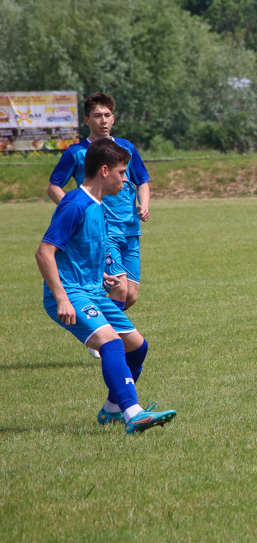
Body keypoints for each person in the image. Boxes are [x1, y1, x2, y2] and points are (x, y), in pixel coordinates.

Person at [36, 138, 176, 433]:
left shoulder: (98, 206)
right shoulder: (74, 204)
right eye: (122, 172)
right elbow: (44, 253)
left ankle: (112, 409)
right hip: (71, 292)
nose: (126, 180)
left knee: (137, 347)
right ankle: (132, 413)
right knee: (111, 343)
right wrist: (61, 298)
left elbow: (80, 252)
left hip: (93, 290)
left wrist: (103, 278)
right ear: (104, 171)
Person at [47, 93, 150, 357]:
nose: (103, 121)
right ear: (86, 120)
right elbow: (53, 185)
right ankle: (101, 335)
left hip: (130, 229)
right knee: (120, 286)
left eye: (107, 115)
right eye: (97, 115)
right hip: (102, 232)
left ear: (113, 118)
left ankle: (100, 328)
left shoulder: (125, 148)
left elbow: (143, 180)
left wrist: (144, 204)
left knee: (131, 295)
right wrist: (74, 208)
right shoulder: (78, 152)